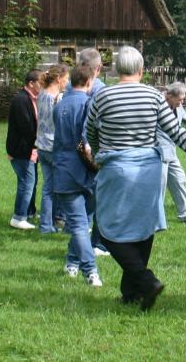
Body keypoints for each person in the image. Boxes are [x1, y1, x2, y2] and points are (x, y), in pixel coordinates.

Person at [87, 46, 186, 310]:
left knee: (106, 229)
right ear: (141, 70)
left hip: (117, 168)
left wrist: (98, 154)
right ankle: (131, 292)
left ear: (116, 68)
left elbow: (90, 131)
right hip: (148, 171)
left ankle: (145, 280)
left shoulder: (103, 96)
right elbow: (177, 133)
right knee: (143, 228)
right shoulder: (154, 96)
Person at [53, 63, 103, 286]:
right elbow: (87, 141)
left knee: (78, 222)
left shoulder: (59, 105)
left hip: (64, 169)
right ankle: (91, 271)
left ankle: (72, 262)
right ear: (90, 82)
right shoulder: (89, 105)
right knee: (82, 224)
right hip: (87, 171)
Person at [78, 48, 109, 257]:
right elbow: (95, 122)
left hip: (77, 146)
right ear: (98, 68)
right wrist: (91, 147)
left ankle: (81, 229)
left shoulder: (73, 87)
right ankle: (97, 243)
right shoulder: (100, 89)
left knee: (86, 190)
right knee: (100, 195)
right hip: (92, 147)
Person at [159, 81, 186, 223]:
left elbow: (183, 116)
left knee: (179, 179)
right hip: (158, 152)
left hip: (171, 150)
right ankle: (155, 218)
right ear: (169, 96)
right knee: (159, 186)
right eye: (180, 99)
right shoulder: (157, 104)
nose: (182, 102)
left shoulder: (176, 105)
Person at [6, 70, 43, 230]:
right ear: (31, 83)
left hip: (31, 149)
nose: (43, 86)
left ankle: (29, 212)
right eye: (41, 83)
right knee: (27, 182)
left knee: (31, 182)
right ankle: (18, 217)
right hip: (21, 150)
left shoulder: (32, 98)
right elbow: (27, 127)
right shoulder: (21, 100)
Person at [35, 64, 69, 234]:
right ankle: (51, 224)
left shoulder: (41, 94)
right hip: (54, 147)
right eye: (66, 79)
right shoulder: (57, 99)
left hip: (41, 146)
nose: (67, 82)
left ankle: (47, 224)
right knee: (57, 188)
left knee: (48, 187)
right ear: (58, 79)